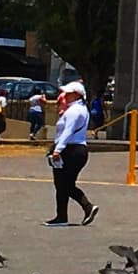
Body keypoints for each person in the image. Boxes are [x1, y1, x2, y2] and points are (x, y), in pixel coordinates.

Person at [44, 81, 98, 228]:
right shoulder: (80, 109)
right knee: (65, 184)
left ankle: (76, 210)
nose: (65, 96)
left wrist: (58, 150)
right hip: (76, 149)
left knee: (63, 184)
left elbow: (68, 131)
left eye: (68, 93)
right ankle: (68, 213)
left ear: (77, 95)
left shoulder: (74, 111)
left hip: (71, 149)